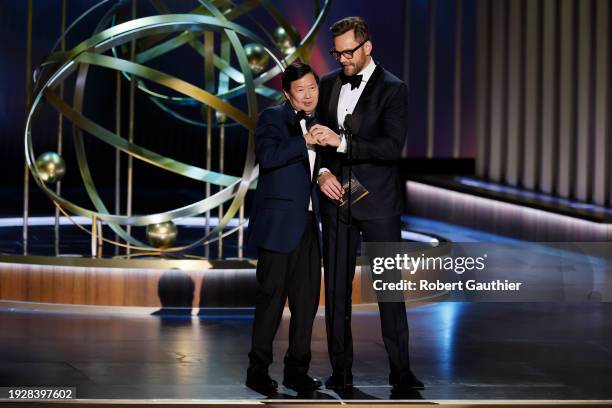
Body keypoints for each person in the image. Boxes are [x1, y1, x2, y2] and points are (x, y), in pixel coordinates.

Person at [311, 16, 424, 391]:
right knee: (338, 292)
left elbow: (392, 148)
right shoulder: (328, 84)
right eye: (337, 52)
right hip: (337, 202)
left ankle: (401, 371)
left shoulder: (394, 89)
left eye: (348, 52)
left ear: (367, 47)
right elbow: (315, 144)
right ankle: (340, 371)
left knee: (389, 291)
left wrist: (341, 144)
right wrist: (322, 174)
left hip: (379, 204)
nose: (342, 59)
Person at [245, 61, 322, 394]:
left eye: (313, 88)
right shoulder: (272, 118)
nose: (308, 96)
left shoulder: (324, 123)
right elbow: (268, 155)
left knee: (306, 304)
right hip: (278, 226)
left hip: (308, 224)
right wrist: (304, 140)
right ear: (288, 94)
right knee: (271, 301)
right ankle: (258, 370)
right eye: (300, 90)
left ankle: (297, 371)